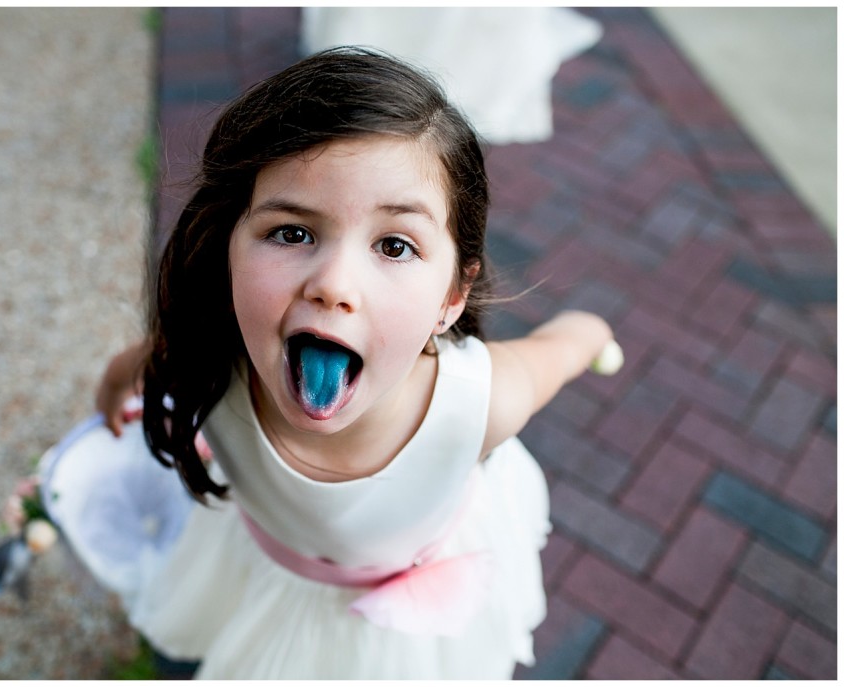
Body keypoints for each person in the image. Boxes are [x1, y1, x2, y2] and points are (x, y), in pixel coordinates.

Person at [91, 47, 618, 679]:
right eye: (292, 233)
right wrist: (114, 390)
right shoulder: (207, 353)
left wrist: (589, 332)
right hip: (272, 564)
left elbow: (559, 350)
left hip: (413, 613)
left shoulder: (476, 404)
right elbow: (140, 364)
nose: (334, 284)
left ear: (451, 297)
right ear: (228, 245)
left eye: (394, 246)